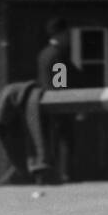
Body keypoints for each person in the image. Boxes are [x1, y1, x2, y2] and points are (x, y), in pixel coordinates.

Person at [36, 18, 78, 184]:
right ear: (60, 34)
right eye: (66, 33)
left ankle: (49, 175)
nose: (68, 37)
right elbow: (60, 81)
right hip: (58, 103)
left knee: (50, 140)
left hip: (45, 102)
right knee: (65, 139)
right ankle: (65, 174)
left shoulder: (44, 53)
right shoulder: (58, 54)